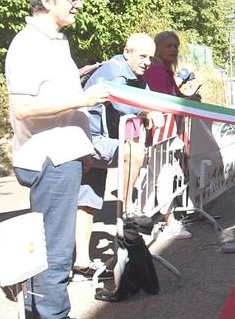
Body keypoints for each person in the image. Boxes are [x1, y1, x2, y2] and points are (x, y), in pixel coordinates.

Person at [5, 0, 110, 319]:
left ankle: (45, 313)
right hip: (49, 160)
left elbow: (47, 98)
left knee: (52, 249)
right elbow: (23, 108)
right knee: (54, 253)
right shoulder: (29, 43)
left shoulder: (52, 42)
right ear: (47, 0)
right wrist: (83, 99)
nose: (78, 4)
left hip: (61, 157)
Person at [74, 33, 165, 278]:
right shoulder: (115, 72)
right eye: (142, 56)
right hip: (91, 139)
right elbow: (125, 104)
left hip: (95, 139)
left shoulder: (136, 75)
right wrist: (148, 111)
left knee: (87, 199)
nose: (147, 62)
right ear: (127, 52)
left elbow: (146, 97)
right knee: (133, 150)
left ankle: (81, 260)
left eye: (151, 58)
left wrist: (149, 108)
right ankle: (124, 213)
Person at [143, 30, 201, 240]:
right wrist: (187, 102)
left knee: (159, 177)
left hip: (166, 135)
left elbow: (175, 97)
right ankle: (166, 222)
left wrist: (189, 99)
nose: (174, 50)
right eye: (169, 46)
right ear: (157, 48)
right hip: (159, 136)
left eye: (176, 46)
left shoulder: (164, 70)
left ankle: (149, 221)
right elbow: (166, 101)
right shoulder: (157, 70)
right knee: (162, 177)